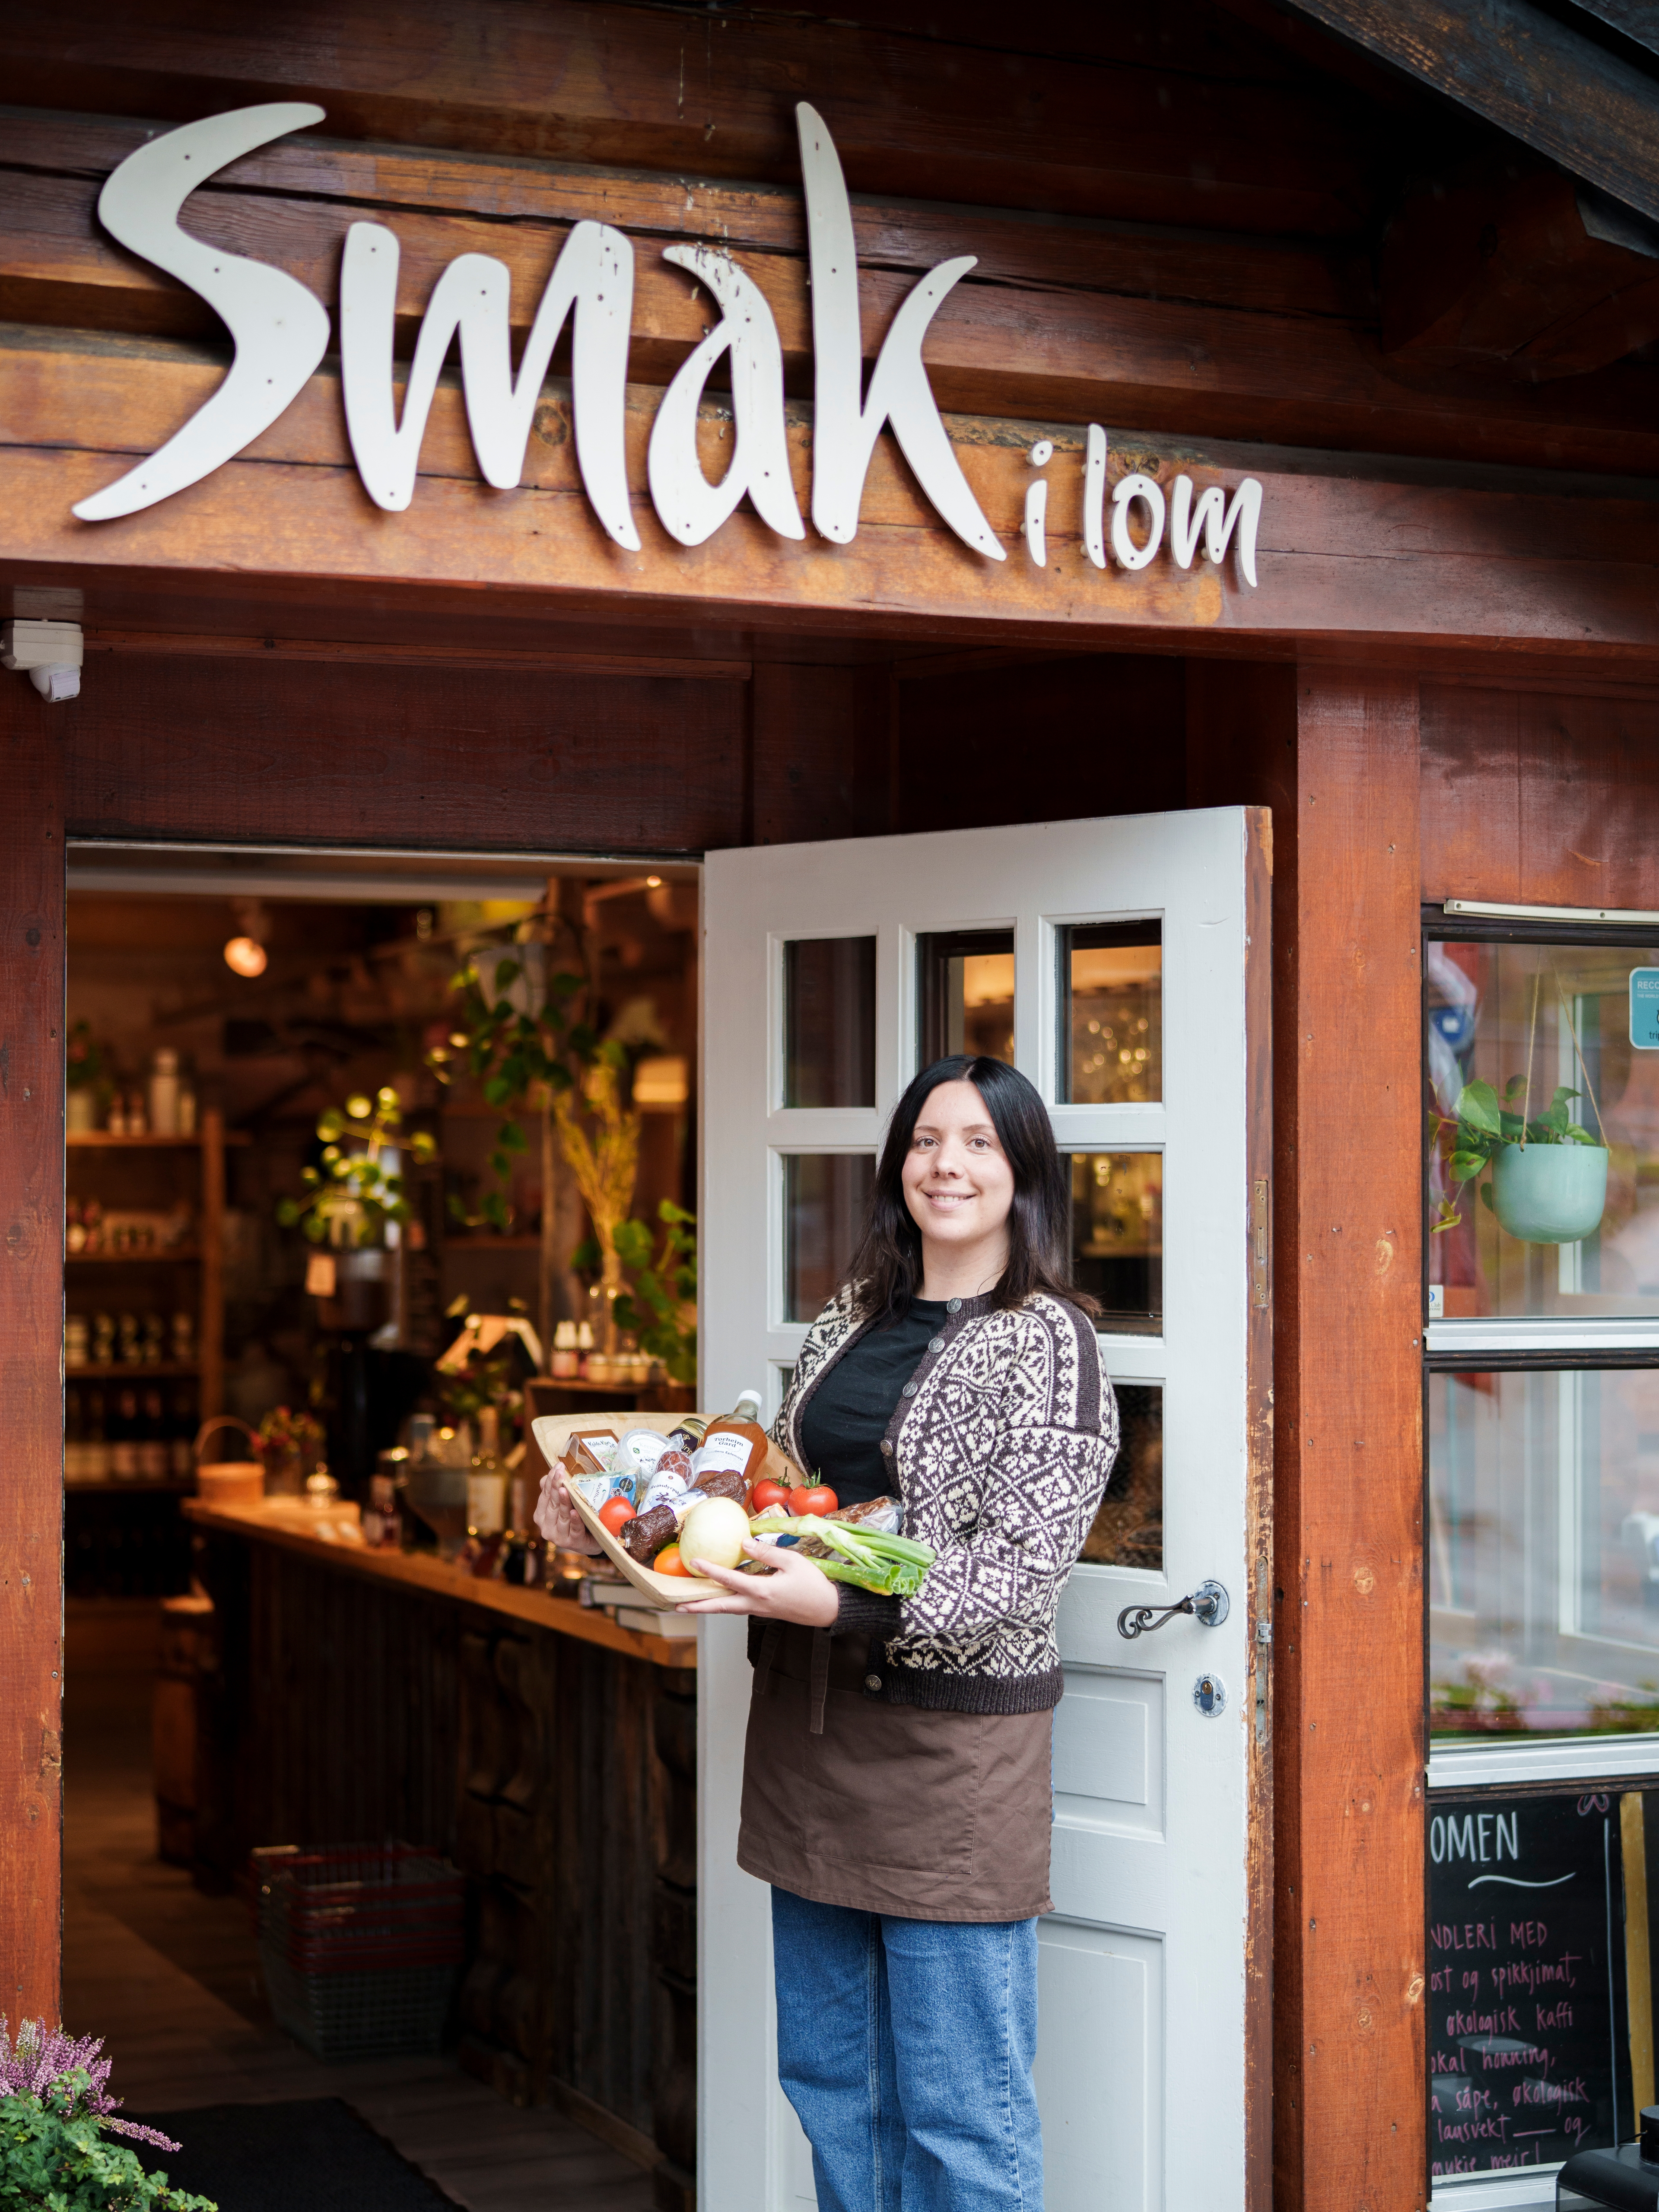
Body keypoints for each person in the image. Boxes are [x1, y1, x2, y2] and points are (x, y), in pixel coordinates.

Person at [539, 1055, 1118, 2212]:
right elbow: (784, 1498)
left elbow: (1019, 1571)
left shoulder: (1049, 1341)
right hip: (811, 1740)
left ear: (1025, 1172)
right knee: (831, 2083)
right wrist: (611, 1515)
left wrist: (846, 1604)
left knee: (960, 2108)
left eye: (978, 1144)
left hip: (952, 1763)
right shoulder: (854, 1314)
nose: (945, 1166)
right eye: (923, 1141)